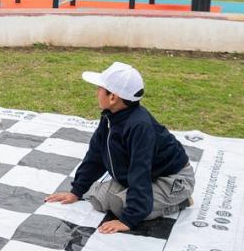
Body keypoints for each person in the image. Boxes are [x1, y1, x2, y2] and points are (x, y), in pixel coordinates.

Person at [45, 62, 194, 234]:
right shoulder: (110, 117)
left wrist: (129, 220)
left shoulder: (140, 126)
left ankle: (180, 201)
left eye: (99, 88)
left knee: (123, 207)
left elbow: (140, 170)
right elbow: (96, 155)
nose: (96, 92)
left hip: (173, 179)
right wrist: (76, 191)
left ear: (113, 97)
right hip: (147, 176)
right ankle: (139, 203)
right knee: (98, 198)